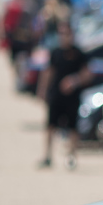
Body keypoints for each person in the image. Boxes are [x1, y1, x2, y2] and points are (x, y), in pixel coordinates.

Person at [38, 20, 91, 169]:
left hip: (72, 97)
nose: (64, 36)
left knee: (73, 128)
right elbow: (48, 72)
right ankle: (47, 156)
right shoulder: (55, 52)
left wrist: (74, 81)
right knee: (50, 126)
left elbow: (87, 74)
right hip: (56, 95)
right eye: (61, 33)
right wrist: (42, 90)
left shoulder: (79, 53)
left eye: (66, 33)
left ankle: (71, 157)